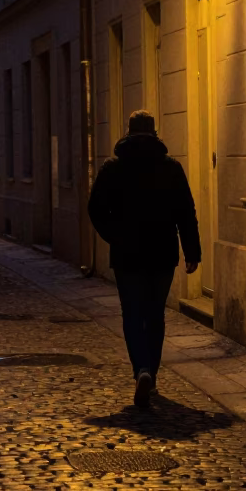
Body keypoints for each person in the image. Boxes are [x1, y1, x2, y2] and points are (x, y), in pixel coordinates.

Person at [88, 109, 201, 410]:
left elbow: (95, 209)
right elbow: (185, 212)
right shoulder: (171, 168)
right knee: (155, 315)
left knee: (132, 315)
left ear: (127, 132)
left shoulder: (113, 168)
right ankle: (152, 373)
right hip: (162, 252)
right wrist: (192, 252)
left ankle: (142, 370)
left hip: (127, 254)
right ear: (154, 133)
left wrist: (114, 234)